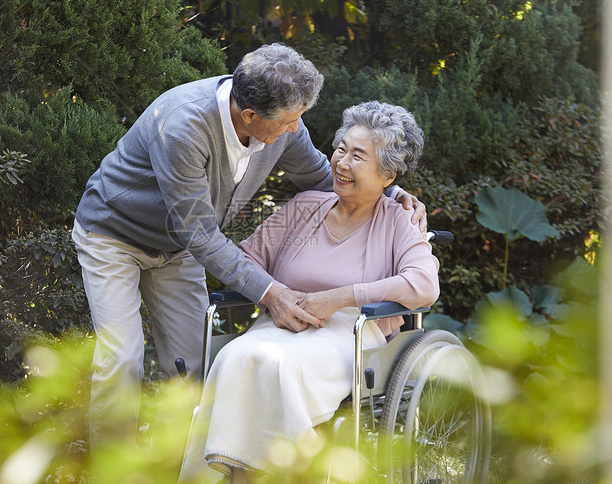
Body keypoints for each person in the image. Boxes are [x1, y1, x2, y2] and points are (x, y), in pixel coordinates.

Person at [72, 44, 427, 444]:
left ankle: (186, 473)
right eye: (289, 122)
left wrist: (392, 193)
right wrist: (272, 294)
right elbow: (201, 234)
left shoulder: (283, 122)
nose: (295, 129)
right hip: (115, 235)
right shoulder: (183, 125)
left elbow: (322, 177)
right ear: (250, 117)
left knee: (195, 362)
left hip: (179, 247)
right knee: (122, 358)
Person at [178, 101, 440, 484]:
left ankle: (300, 482)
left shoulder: (399, 220)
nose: (341, 162)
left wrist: (340, 297)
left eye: (358, 156)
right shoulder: (303, 207)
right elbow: (245, 259)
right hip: (280, 324)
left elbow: (424, 284)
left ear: (387, 174)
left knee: (281, 368)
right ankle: (240, 483)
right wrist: (275, 297)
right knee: (236, 356)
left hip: (350, 336)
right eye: (340, 149)